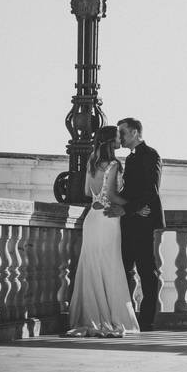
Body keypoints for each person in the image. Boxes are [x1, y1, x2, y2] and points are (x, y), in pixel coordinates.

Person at [65, 125, 146, 337]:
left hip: (92, 218)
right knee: (110, 265)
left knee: (91, 266)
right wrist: (135, 204)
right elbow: (111, 195)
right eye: (118, 136)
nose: (121, 139)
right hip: (108, 219)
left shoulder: (91, 163)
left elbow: (86, 192)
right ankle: (111, 317)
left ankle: (91, 316)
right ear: (111, 141)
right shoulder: (114, 164)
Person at [105, 117, 165, 331]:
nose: (119, 135)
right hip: (130, 219)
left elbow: (151, 191)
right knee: (125, 269)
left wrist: (128, 208)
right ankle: (127, 316)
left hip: (144, 220)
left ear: (135, 133)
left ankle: (147, 320)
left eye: (122, 131)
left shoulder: (151, 155)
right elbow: (128, 192)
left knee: (147, 270)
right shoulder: (129, 159)